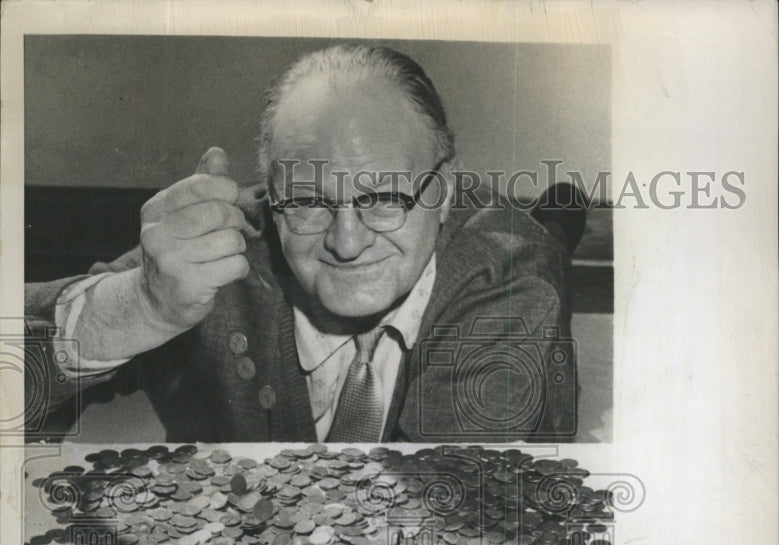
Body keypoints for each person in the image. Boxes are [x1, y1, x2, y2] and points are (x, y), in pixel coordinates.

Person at [24, 42, 579, 443]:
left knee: (546, 236)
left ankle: (560, 217)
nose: (347, 241)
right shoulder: (238, 240)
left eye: (383, 195)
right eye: (310, 200)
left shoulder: (506, 274)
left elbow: (443, 520)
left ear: (443, 191)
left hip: (503, 241)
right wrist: (139, 307)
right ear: (270, 194)